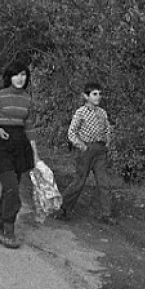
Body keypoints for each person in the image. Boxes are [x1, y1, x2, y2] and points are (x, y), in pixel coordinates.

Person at [0, 60, 39, 249]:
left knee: (9, 189)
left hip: (20, 146)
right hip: (1, 145)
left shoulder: (28, 99)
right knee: (11, 188)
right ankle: (8, 229)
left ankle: (0, 228)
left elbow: (30, 127)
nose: (20, 78)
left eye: (23, 75)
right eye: (16, 75)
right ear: (9, 77)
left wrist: (35, 154)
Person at [55, 82, 117, 224]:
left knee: (104, 182)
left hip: (100, 151)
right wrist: (81, 146)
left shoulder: (102, 113)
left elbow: (107, 129)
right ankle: (63, 208)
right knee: (79, 181)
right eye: (94, 94)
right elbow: (71, 132)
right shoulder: (80, 112)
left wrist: (107, 143)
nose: (98, 97)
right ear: (86, 96)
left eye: (100, 94)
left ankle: (106, 214)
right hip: (86, 151)